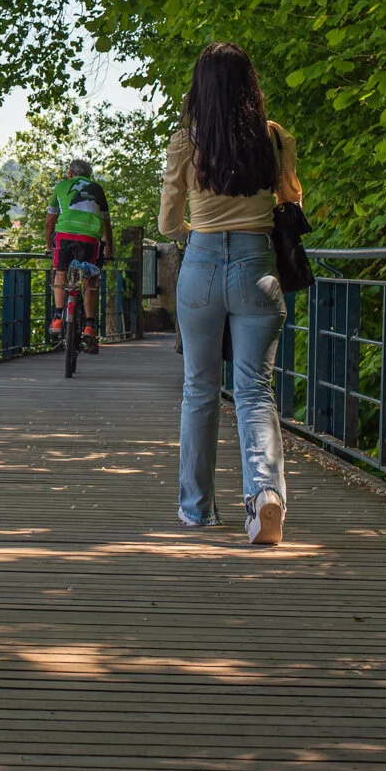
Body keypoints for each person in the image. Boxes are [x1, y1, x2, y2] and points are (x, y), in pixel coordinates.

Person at [157, 42, 302, 546]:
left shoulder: (186, 142)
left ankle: (197, 511)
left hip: (199, 269)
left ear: (200, 88)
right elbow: (291, 198)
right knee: (255, 392)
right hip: (257, 269)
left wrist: (201, 223)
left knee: (198, 390)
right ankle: (265, 496)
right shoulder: (274, 138)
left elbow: (168, 222)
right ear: (249, 87)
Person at [45, 158, 112, 344]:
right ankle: (89, 326)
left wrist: (49, 246)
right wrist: (109, 251)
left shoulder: (61, 187)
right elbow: (106, 223)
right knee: (91, 280)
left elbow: (50, 222)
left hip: (64, 237)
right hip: (90, 239)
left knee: (60, 272)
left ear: (70, 173)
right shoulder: (97, 189)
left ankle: (58, 318)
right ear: (89, 175)